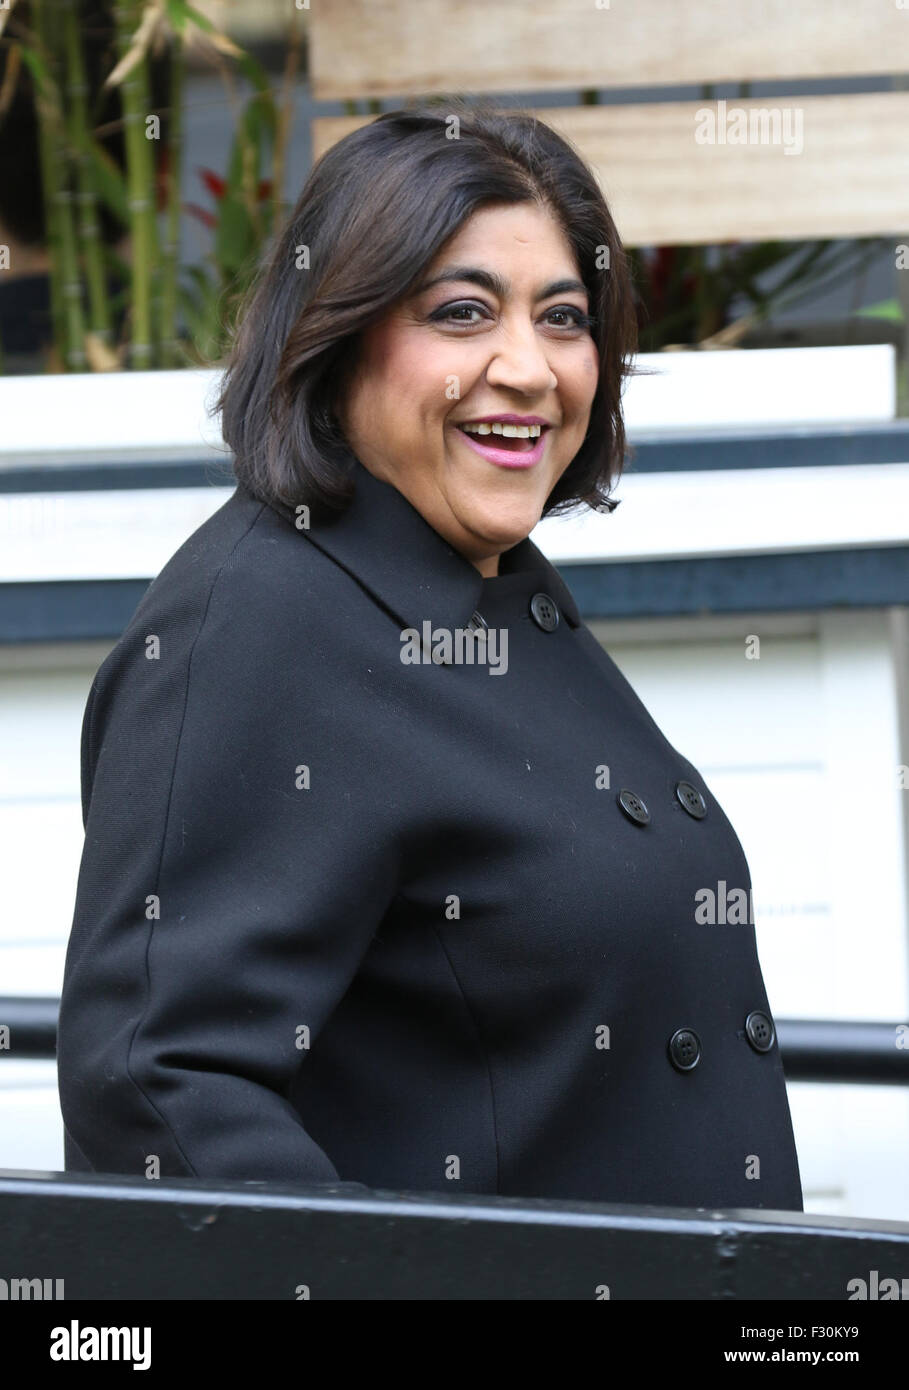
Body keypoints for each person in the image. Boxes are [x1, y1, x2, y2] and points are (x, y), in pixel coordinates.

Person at [57, 100, 803, 1210]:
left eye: (563, 317)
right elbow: (161, 1098)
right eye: (461, 313)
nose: (530, 368)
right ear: (337, 331)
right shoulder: (254, 627)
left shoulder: (492, 582)